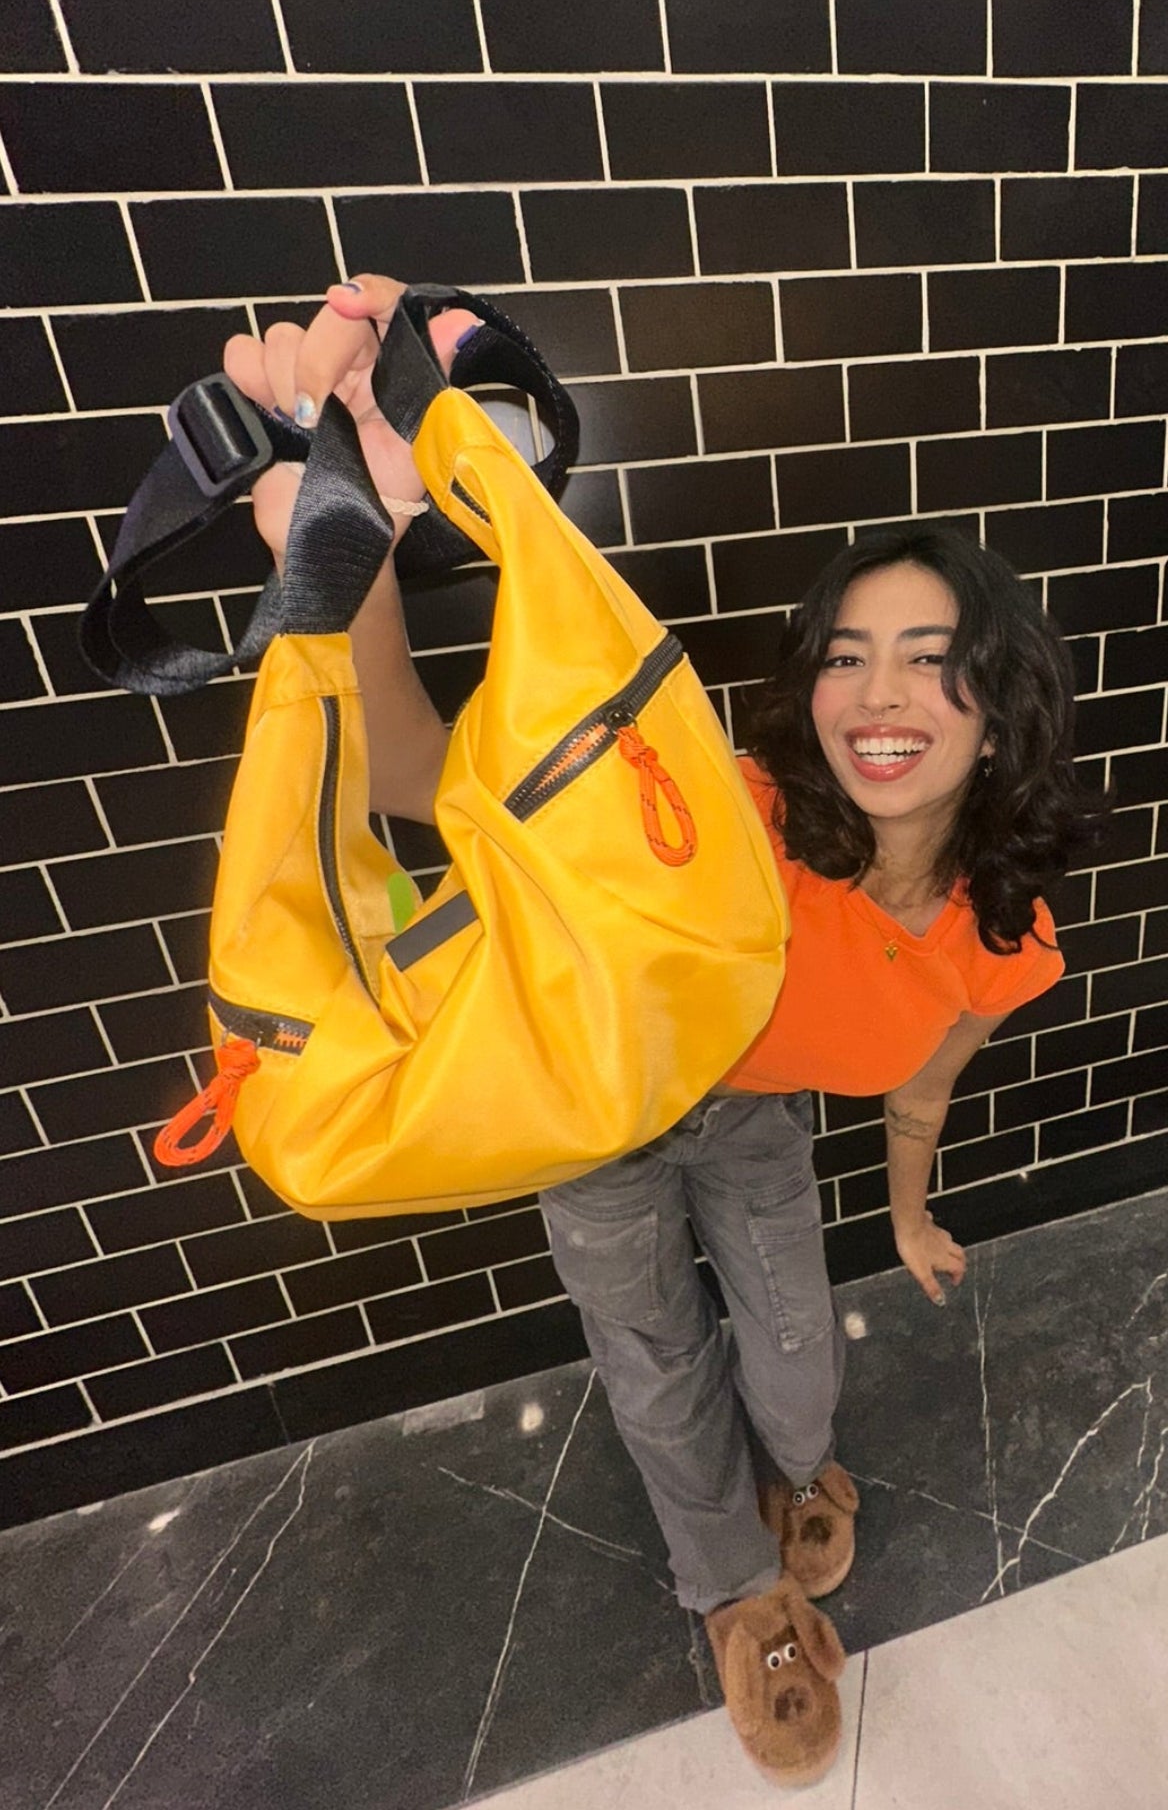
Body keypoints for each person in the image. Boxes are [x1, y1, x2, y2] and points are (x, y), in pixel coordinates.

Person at [223, 275, 1099, 1790]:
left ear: (999, 700)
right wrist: (345, 542)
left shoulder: (996, 923)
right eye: (846, 653)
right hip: (594, 1112)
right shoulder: (737, 814)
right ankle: (731, 1593)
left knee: (784, 1348)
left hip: (757, 1121)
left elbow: (933, 1064)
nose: (879, 693)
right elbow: (423, 771)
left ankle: (799, 1470)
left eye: (927, 653)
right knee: (646, 1356)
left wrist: (907, 1202)